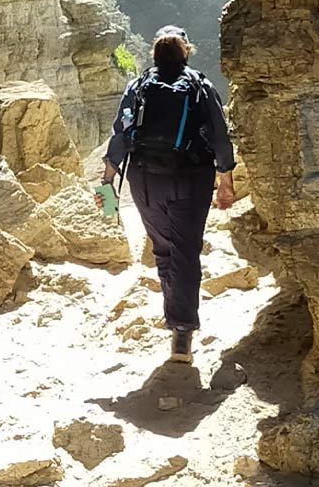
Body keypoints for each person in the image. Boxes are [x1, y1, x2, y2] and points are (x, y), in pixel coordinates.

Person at [96, 25, 236, 364]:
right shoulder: (200, 85)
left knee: (164, 251)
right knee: (186, 251)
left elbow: (121, 135)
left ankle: (176, 318)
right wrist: (226, 181)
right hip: (190, 178)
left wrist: (107, 187)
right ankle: (182, 332)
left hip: (145, 182)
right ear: (185, 50)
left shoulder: (139, 85)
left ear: (154, 53)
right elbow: (219, 134)